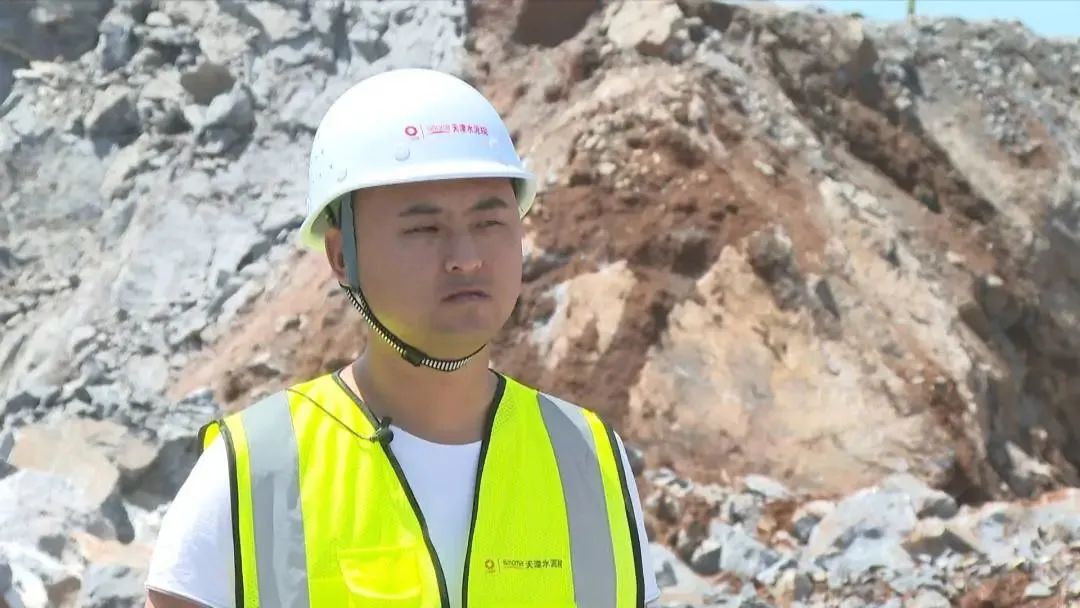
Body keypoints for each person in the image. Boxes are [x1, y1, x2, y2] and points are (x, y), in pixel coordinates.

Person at [144, 68, 661, 608]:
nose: (466, 257)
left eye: (489, 223)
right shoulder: (253, 468)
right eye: (424, 229)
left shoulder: (587, 458)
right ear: (342, 257)